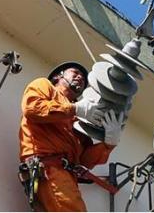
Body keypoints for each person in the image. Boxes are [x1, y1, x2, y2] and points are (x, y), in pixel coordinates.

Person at [18, 62, 124, 211]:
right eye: (75, 73)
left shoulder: (77, 121)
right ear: (58, 75)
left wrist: (108, 144)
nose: (80, 77)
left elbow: (85, 160)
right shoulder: (44, 85)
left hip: (64, 175)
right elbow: (32, 109)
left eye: (83, 79)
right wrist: (74, 109)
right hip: (48, 168)